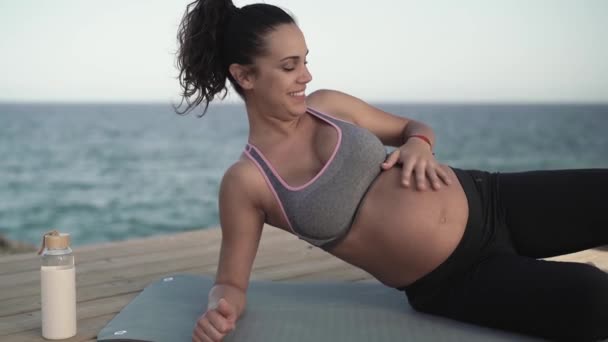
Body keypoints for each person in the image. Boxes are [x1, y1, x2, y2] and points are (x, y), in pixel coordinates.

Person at [174, 1, 608, 341]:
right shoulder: (247, 181)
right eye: (289, 67)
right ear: (245, 76)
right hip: (456, 279)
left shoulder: (328, 106)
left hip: (491, 198)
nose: (305, 75)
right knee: (594, 299)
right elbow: (231, 282)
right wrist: (221, 309)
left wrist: (419, 144)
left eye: (305, 60)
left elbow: (410, 128)